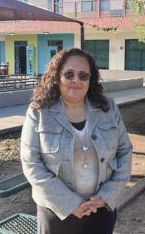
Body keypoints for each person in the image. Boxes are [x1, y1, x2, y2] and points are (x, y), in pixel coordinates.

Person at [21, 48, 133, 234]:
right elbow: (31, 163)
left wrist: (107, 196)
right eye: (69, 74)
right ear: (57, 76)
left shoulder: (108, 109)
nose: (76, 80)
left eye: (83, 75)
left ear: (91, 80)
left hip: (100, 209)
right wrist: (69, 203)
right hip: (57, 212)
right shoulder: (39, 112)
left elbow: (125, 151)